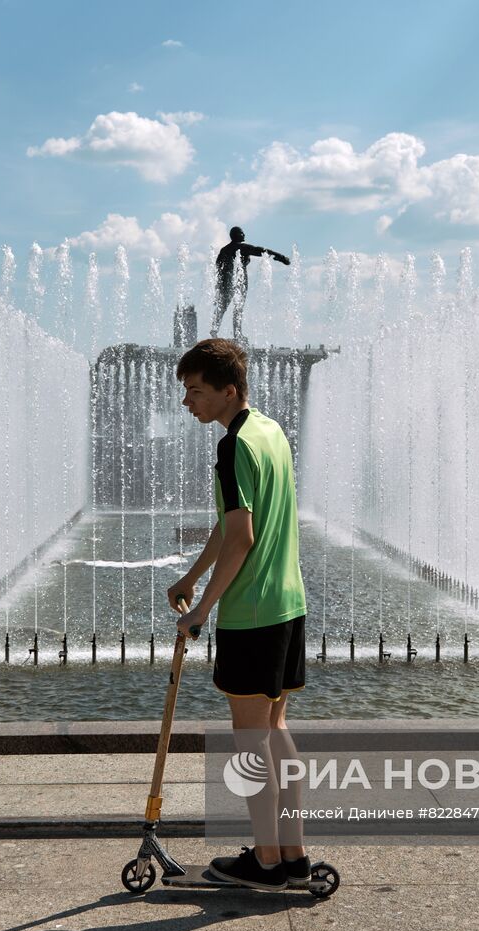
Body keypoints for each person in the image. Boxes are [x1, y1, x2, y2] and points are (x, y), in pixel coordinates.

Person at [167, 338, 311, 892]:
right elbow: (230, 527)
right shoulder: (270, 432)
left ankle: (267, 864)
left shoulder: (232, 449)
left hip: (251, 614)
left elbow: (242, 538)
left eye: (196, 391)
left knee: (250, 741)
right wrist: (191, 577)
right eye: (186, 391)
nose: (189, 403)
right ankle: (291, 853)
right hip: (288, 605)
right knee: (275, 730)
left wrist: (201, 609)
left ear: (228, 391)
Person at [209, 226, 291, 340]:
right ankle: (237, 333)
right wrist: (281, 257)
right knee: (238, 307)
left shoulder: (224, 250)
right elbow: (261, 250)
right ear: (237, 235)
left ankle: (214, 329)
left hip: (226, 281)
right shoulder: (242, 247)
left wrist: (218, 285)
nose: (244, 235)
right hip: (239, 281)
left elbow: (217, 268)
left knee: (223, 306)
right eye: (242, 233)